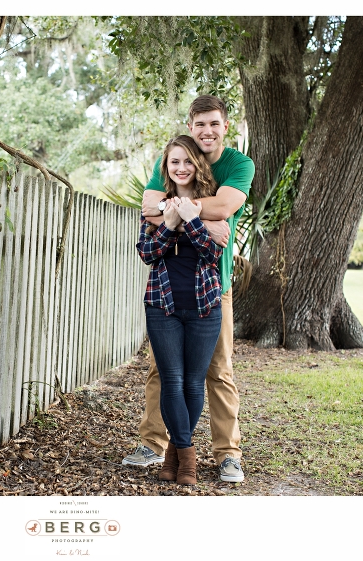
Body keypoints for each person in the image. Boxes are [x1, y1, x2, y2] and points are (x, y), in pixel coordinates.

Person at [123, 94, 254, 483]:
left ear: (225, 126)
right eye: (200, 124)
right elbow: (148, 206)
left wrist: (176, 208)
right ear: (191, 126)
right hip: (167, 291)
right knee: (161, 371)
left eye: (214, 123)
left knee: (217, 369)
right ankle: (154, 444)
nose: (207, 131)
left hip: (214, 286)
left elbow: (224, 209)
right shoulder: (177, 158)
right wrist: (191, 211)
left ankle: (228, 453)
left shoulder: (237, 164)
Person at [136, 135, 223, 485]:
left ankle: (174, 454)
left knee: (192, 382)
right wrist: (170, 224)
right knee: (171, 380)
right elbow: (146, 254)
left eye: (188, 161)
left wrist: (193, 219)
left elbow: (214, 253)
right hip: (163, 305)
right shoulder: (158, 209)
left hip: (205, 306)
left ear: (197, 165)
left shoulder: (212, 209)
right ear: (167, 168)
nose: (182, 167)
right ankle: (187, 457)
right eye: (175, 162)